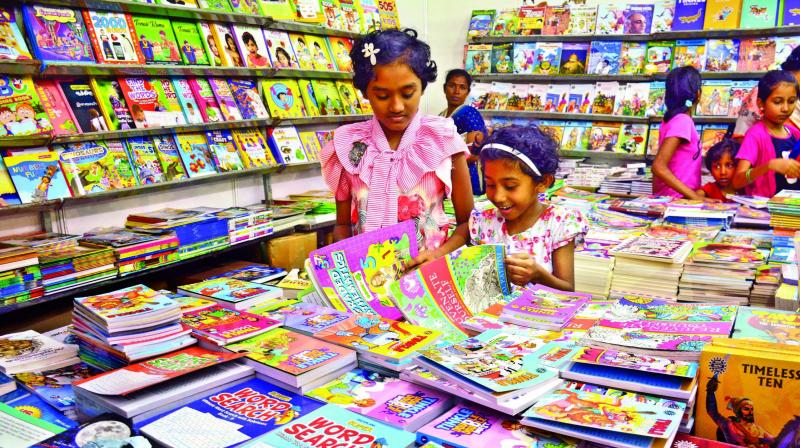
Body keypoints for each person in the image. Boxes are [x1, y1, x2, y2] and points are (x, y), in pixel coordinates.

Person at [320, 28, 474, 266]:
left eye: (408, 93)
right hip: (366, 282)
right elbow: (342, 225)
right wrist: (344, 263)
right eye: (382, 95)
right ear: (365, 92)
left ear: (422, 86)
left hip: (427, 282)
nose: (396, 106)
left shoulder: (442, 140)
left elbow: (467, 223)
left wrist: (437, 255)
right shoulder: (350, 146)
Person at [465, 125, 586, 291]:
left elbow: (567, 290)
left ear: (543, 183)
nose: (498, 197)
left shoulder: (559, 224)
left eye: (510, 186)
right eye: (490, 184)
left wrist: (538, 275)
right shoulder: (482, 222)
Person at [733, 70, 800, 197]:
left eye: (791, 101)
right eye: (777, 102)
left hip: (792, 211)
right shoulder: (755, 135)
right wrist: (769, 166)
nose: (785, 108)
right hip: (765, 212)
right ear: (760, 103)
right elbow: (738, 180)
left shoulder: (795, 134)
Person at [652, 66, 704, 199]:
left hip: (672, 197)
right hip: (676, 199)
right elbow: (658, 166)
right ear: (698, 94)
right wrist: (695, 197)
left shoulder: (672, 119)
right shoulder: (683, 121)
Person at [439, 69, 488, 195]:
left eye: (462, 87)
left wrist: (442, 163)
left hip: (468, 175)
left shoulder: (469, 113)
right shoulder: (441, 116)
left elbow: (473, 154)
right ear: (445, 88)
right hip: (447, 174)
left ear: (468, 92)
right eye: (452, 86)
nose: (456, 91)